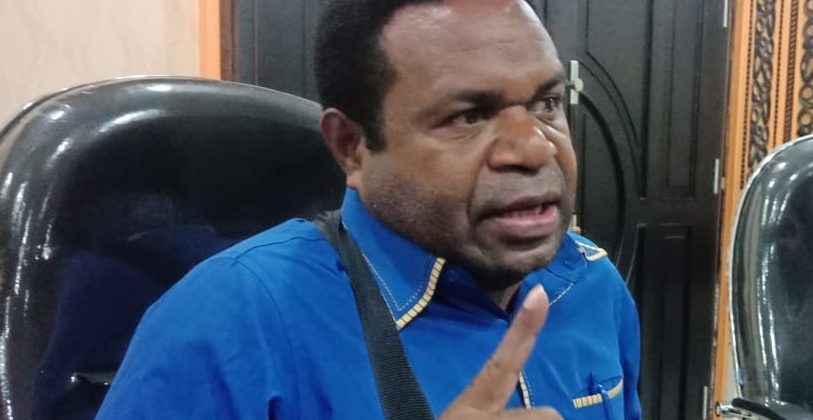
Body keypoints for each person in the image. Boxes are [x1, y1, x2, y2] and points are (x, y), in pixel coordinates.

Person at [96, 0, 641, 418]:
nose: (535, 148)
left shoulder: (592, 284)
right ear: (351, 146)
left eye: (547, 103)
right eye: (470, 116)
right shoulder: (228, 324)